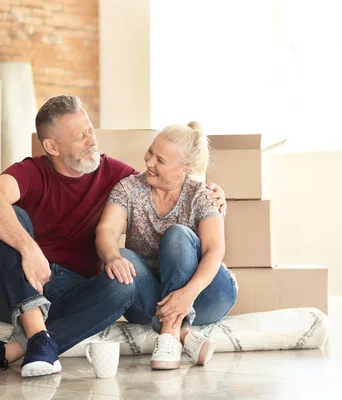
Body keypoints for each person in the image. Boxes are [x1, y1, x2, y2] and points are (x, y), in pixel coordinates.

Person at [0, 95, 227, 378]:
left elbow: (164, 185)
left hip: (74, 293)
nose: (92, 141)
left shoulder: (117, 176)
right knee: (11, 217)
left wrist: (213, 195)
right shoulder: (31, 172)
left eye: (90, 130)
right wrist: (29, 249)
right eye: (81, 136)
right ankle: (35, 334)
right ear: (52, 146)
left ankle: (19, 348)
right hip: (17, 286)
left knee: (124, 282)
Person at [95, 121, 238, 370]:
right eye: (150, 152)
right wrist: (111, 257)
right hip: (151, 300)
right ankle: (181, 334)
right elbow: (106, 230)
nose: (149, 162)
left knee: (177, 235)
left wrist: (187, 294)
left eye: (160, 160)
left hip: (206, 296)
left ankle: (170, 333)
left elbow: (214, 250)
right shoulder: (128, 188)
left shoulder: (202, 196)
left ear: (183, 170)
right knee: (123, 255)